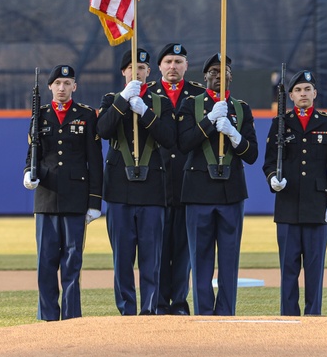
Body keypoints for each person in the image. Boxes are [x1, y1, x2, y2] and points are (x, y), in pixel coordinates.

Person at [177, 53, 258, 316]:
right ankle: (203, 314)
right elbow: (184, 143)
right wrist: (210, 120)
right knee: (199, 259)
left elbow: (252, 155)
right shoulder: (191, 105)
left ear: (231, 77)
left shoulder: (242, 108)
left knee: (229, 259)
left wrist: (234, 135)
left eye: (224, 72)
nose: (219, 75)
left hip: (230, 193)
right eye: (213, 71)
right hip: (198, 191)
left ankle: (226, 313)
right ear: (204, 77)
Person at [97, 47, 176, 315]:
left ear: (149, 72)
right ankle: (126, 310)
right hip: (119, 189)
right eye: (133, 68)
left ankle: (149, 309)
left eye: (142, 68)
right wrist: (122, 102)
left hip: (153, 190)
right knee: (122, 258)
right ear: (124, 72)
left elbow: (169, 139)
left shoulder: (160, 102)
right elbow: (103, 130)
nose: (138, 72)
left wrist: (145, 112)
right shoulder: (110, 99)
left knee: (151, 257)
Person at [23, 64, 103, 320]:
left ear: (75, 87)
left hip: (75, 197)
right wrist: (28, 172)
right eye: (57, 83)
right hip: (46, 195)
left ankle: (70, 317)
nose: (62, 88)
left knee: (72, 261)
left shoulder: (87, 115)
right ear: (49, 87)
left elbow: (95, 160)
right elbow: (32, 151)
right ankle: (47, 315)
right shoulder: (40, 115)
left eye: (67, 83)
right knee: (45, 261)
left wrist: (94, 201)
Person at [262, 69, 327, 316]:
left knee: (314, 268)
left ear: (315, 93)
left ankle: (313, 316)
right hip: (287, 206)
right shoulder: (280, 123)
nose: (303, 94)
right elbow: (268, 162)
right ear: (291, 96)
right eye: (298, 90)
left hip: (316, 206)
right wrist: (272, 179)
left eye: (307, 89)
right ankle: (288, 316)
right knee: (288, 268)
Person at [148, 42, 205, 315]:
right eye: (168, 61)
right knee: (157, 249)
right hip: (154, 183)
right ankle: (158, 303)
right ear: (159, 66)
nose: (173, 66)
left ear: (186, 66)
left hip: (187, 182)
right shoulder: (147, 94)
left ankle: (179, 303)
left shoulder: (200, 96)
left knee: (183, 250)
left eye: (178, 62)